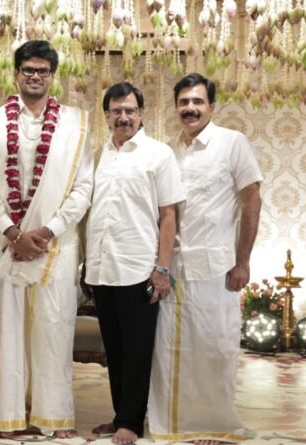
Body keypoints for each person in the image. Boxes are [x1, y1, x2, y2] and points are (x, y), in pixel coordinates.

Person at [0, 39, 93, 439]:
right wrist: (12, 231)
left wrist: (47, 231)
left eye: (43, 71)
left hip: (55, 245)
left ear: (52, 76)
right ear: (16, 74)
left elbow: (83, 187)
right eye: (28, 70)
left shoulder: (75, 124)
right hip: (7, 245)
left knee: (54, 328)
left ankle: (53, 417)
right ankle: (8, 417)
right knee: (7, 330)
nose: (35, 76)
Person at [148, 73, 262, 445]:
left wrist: (243, 261)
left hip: (217, 267)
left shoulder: (233, 143)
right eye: (184, 102)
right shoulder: (168, 151)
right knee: (172, 349)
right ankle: (172, 423)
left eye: (197, 101)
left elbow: (251, 203)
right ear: (175, 107)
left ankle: (214, 423)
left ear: (212, 106)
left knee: (215, 346)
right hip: (174, 267)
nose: (190, 108)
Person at [84, 82, 185, 445]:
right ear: (106, 115)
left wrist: (162, 268)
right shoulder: (98, 155)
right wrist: (85, 264)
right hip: (101, 268)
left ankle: (131, 422)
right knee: (114, 350)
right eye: (116, 111)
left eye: (130, 110)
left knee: (138, 350)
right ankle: (120, 416)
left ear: (141, 114)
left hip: (138, 268)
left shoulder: (158, 154)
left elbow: (169, 215)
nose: (123, 117)